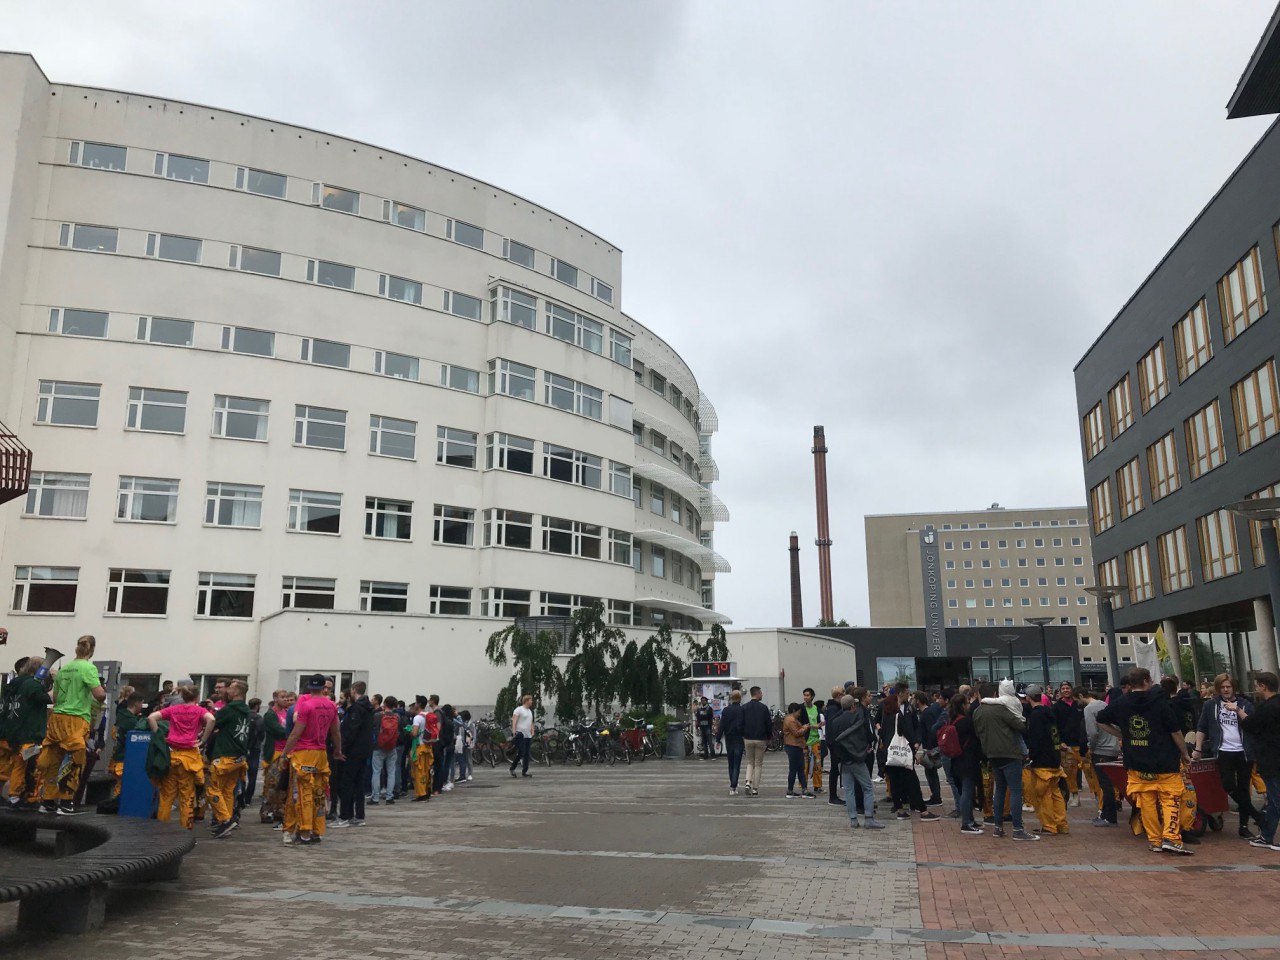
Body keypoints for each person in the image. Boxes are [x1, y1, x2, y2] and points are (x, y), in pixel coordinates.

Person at [1097, 667, 1193, 855]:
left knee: (1146, 801)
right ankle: (1171, 838)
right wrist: (1184, 753)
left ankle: (1155, 840)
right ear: (1147, 681)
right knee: (1170, 798)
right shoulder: (1160, 702)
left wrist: (1122, 734)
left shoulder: (1121, 702)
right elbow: (1175, 731)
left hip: (1136, 761)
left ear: (1131, 684)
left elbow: (1100, 720)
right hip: (1164, 760)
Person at [38, 635, 106, 814]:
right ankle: (66, 801)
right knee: (76, 760)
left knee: (54, 759)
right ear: (92, 649)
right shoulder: (88, 668)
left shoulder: (65, 669)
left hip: (57, 718)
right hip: (76, 718)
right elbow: (99, 695)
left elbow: (56, 697)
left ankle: (48, 800)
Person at [1193, 673, 1262, 840]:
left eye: (1228, 687)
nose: (1225, 690)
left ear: (1234, 688)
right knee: (1228, 784)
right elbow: (1202, 727)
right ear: (1218, 689)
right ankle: (1257, 815)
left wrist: (1237, 710)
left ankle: (1244, 827)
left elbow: (1253, 725)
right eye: (1222, 687)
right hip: (1223, 750)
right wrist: (1198, 748)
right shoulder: (1211, 705)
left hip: (1243, 751)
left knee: (1244, 789)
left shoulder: (1245, 704)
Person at [281, 674, 342, 845]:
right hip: (321, 753)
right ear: (324, 687)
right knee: (319, 792)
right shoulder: (331, 705)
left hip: (304, 753)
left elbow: (296, 732)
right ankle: (317, 830)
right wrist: (338, 750)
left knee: (301, 793)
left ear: (309, 687)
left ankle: (304, 831)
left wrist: (285, 753)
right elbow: (336, 731)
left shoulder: (306, 706)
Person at [973, 678, 1037, 840]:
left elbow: (978, 733)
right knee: (1015, 790)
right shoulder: (1001, 709)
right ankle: (1018, 829)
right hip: (1009, 752)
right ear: (996, 694)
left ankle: (998, 827)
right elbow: (1021, 726)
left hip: (991, 754)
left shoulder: (978, 712)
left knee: (999, 790)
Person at [149, 684, 214, 829]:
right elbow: (211, 719)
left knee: (166, 796)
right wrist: (203, 739)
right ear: (197, 697)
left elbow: (151, 717)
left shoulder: (173, 709)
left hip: (172, 756)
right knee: (187, 797)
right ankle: (185, 829)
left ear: (182, 696)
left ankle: (161, 829)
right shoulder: (199, 710)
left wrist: (159, 736)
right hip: (189, 758)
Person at [1238, 672, 1280, 850]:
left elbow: (1250, 725)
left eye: (1257, 685)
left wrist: (1238, 711)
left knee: (1276, 799)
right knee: (1273, 799)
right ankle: (1267, 835)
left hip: (1271, 759)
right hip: (1274, 758)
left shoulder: (1267, 707)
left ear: (1263, 686)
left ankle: (1267, 835)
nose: (1256, 688)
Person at [828, 692, 882, 829]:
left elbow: (831, 740)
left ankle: (853, 819)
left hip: (843, 759)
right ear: (853, 705)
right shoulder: (858, 718)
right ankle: (869, 819)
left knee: (849, 790)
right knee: (867, 788)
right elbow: (866, 736)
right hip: (857, 758)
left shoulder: (835, 721)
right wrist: (866, 749)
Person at [880, 690, 936, 821]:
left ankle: (899, 809)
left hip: (890, 754)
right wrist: (913, 750)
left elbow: (882, 734)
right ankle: (923, 811)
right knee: (913, 782)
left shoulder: (885, 717)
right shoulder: (898, 716)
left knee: (894, 783)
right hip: (902, 753)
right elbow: (907, 734)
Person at [3, 656, 49, 809]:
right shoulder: (31, 684)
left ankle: (14, 796)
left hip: (14, 732)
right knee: (31, 765)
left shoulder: (14, 684)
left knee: (18, 764)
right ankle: (25, 797)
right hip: (30, 733)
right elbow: (47, 698)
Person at [207, 679, 251, 839]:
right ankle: (225, 822)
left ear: (237, 692)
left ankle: (225, 820)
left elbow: (213, 722)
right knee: (227, 791)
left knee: (212, 789)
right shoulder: (246, 711)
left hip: (224, 755)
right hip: (239, 757)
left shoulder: (229, 709)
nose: (227, 690)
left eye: (230, 688)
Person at [1024, 684, 1068, 835]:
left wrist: (1031, 757)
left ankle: (1049, 825)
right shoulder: (1049, 712)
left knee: (1043, 795)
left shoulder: (1035, 716)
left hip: (1042, 760)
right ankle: (1061, 824)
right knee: (1056, 793)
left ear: (1028, 697)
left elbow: (1036, 739)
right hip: (1054, 757)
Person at [336, 680, 374, 826]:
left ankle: (345, 816)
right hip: (364, 751)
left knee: (347, 783)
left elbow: (352, 731)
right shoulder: (368, 708)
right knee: (358, 784)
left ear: (353, 690)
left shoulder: (357, 709)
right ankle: (359, 816)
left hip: (353, 751)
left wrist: (342, 749)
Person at [945, 694, 983, 834]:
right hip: (968, 760)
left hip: (956, 760)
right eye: (967, 703)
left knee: (965, 791)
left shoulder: (951, 720)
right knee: (967, 791)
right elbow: (976, 740)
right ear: (962, 705)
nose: (968, 705)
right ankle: (966, 823)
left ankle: (970, 819)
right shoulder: (966, 722)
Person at [1082, 688, 1120, 826]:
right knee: (1110, 784)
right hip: (1113, 747)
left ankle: (1108, 816)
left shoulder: (1089, 709)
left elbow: (1092, 732)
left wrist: (1091, 747)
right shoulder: (1105, 705)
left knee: (1105, 785)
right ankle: (1109, 815)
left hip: (1101, 750)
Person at [1052, 682, 1087, 808]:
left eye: (1068, 688)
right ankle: (1074, 794)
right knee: (1070, 772)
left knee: (1089, 771)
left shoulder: (1080, 704)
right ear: (1060, 691)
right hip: (1067, 745)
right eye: (1063, 688)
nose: (1066, 690)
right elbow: (1054, 726)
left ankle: (1098, 796)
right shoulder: (1056, 707)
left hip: (1083, 743)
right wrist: (1059, 741)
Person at [108, 692, 147, 800]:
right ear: (136, 703)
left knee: (120, 787)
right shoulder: (131, 722)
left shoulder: (121, 717)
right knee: (121, 789)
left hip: (117, 758)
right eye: (142, 703)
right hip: (123, 759)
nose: (142, 706)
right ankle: (115, 806)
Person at [741, 686, 771, 797]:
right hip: (761, 739)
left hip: (748, 738)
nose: (762, 695)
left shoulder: (744, 707)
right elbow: (768, 724)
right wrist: (768, 737)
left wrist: (743, 735)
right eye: (761, 693)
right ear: (757, 693)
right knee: (758, 764)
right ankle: (755, 789)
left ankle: (748, 782)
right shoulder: (763, 708)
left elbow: (741, 723)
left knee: (750, 762)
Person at [371, 696, 401, 803]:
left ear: (384, 704)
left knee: (376, 772)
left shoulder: (378, 716)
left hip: (378, 747)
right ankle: (389, 797)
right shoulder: (397, 716)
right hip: (392, 747)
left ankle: (375, 797)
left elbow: (373, 729)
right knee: (391, 772)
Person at [717, 689, 746, 795]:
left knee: (731, 763)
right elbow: (744, 724)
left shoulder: (726, 710)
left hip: (729, 739)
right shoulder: (742, 710)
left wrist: (718, 739)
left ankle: (732, 785)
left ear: (731, 698)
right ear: (740, 698)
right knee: (737, 764)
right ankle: (734, 785)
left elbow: (722, 726)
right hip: (739, 739)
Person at [782, 702, 812, 798]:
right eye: (798, 712)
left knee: (799, 768)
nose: (799, 714)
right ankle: (793, 790)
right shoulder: (791, 720)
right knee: (795, 769)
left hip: (795, 746)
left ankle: (802, 789)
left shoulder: (790, 719)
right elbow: (796, 733)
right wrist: (805, 728)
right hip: (793, 746)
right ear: (794, 711)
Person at [824, 687, 845, 805]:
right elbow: (833, 725)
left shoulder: (832, 707)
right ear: (839, 695)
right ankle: (833, 796)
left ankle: (833, 795)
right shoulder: (834, 709)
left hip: (832, 741)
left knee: (835, 768)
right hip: (834, 742)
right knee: (835, 769)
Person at [242, 697, 265, 805]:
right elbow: (262, 734)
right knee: (252, 775)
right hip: (255, 749)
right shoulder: (259, 718)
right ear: (257, 706)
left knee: (241, 774)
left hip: (244, 748)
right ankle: (248, 798)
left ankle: (241, 796)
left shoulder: (245, 716)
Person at [410, 698, 433, 802]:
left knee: (418, 771)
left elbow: (414, 733)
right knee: (427, 770)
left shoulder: (417, 718)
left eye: (416, 703)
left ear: (418, 704)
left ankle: (421, 794)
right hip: (428, 746)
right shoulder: (428, 715)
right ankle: (427, 791)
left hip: (419, 747)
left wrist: (409, 730)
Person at [801, 688, 822, 791]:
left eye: (808, 695)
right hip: (804, 740)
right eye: (804, 695)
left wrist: (814, 726)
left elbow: (820, 723)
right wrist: (813, 726)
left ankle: (817, 786)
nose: (805, 697)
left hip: (815, 740)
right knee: (804, 765)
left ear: (812, 696)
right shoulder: (801, 708)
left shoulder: (817, 709)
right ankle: (803, 785)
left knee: (817, 764)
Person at [509, 694, 535, 778]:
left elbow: (531, 721)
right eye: (530, 700)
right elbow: (514, 720)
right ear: (526, 701)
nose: (531, 702)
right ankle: (512, 768)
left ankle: (525, 771)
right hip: (520, 733)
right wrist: (514, 730)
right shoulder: (519, 710)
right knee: (522, 752)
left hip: (528, 735)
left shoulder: (529, 711)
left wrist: (532, 730)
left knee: (527, 753)